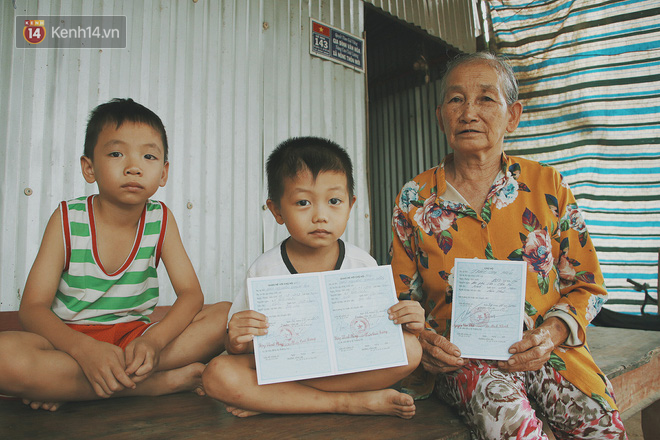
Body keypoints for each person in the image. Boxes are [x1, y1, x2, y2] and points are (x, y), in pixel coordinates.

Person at [390, 53, 628, 439]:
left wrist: (549, 334)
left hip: (546, 352)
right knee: (509, 418)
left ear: (513, 116)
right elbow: (400, 300)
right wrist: (425, 342)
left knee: (598, 423)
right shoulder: (415, 199)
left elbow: (588, 288)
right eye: (456, 99)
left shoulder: (549, 186)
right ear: (440, 117)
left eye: (486, 98)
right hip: (462, 363)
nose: (469, 112)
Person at [0, 98, 230, 411]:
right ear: (89, 167)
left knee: (224, 316)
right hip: (69, 343)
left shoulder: (160, 219)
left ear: (163, 173)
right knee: (4, 358)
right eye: (116, 153)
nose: (134, 166)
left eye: (148, 156)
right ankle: (155, 384)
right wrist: (84, 350)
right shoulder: (68, 219)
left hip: (136, 339)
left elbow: (191, 294)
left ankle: (70, 386)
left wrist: (153, 342)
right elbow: (33, 308)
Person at [202, 136, 423, 419]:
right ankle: (351, 402)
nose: (321, 215)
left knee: (410, 349)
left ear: (351, 205)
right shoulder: (264, 270)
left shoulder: (362, 264)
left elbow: (382, 337)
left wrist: (408, 321)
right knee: (217, 374)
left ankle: (279, 399)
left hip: (343, 365)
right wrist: (236, 339)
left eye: (334, 201)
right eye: (303, 202)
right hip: (288, 364)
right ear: (277, 211)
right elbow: (237, 348)